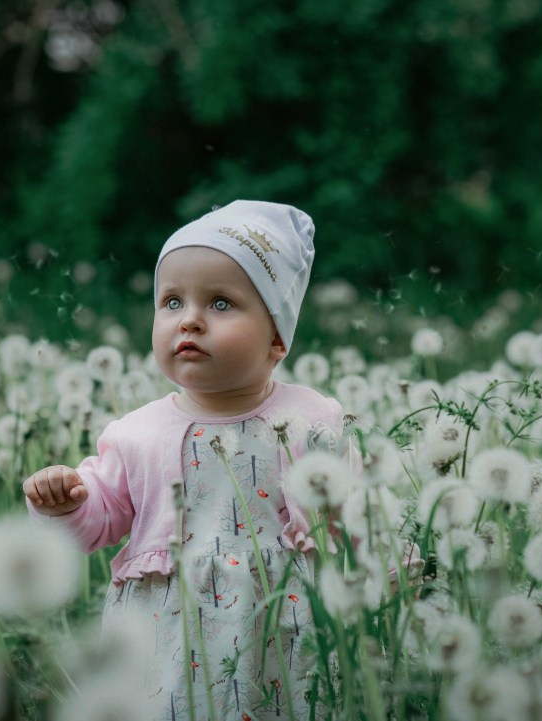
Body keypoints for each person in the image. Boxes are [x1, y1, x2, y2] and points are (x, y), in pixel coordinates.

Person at [23, 200, 350, 719]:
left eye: (221, 304)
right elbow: (95, 524)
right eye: (172, 302)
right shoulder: (135, 433)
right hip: (169, 634)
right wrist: (64, 504)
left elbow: (347, 520)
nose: (190, 320)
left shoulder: (314, 419)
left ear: (278, 337)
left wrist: (385, 576)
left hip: (281, 628)